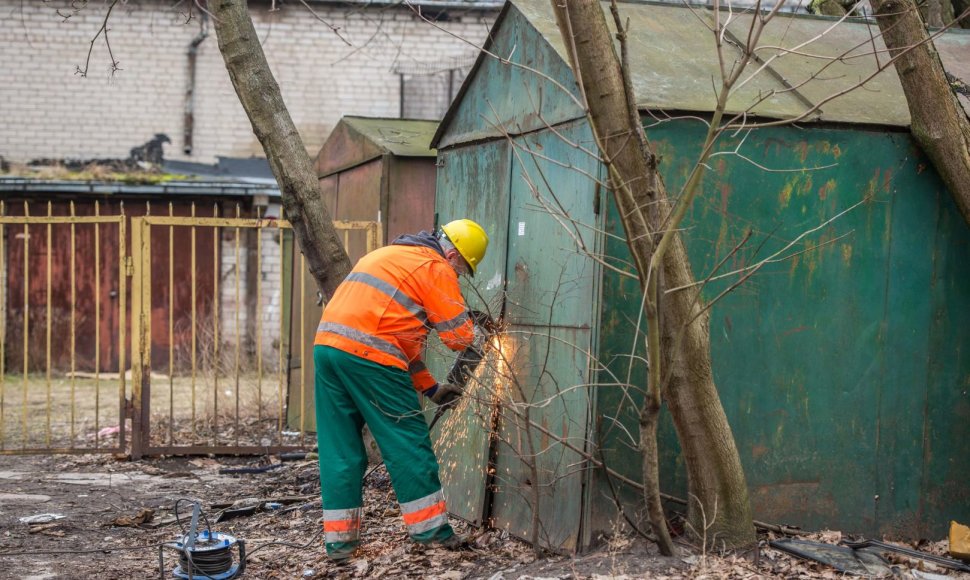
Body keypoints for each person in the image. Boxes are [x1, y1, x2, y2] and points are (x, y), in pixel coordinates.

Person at [312, 218, 489, 562]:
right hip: (370, 356)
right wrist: (481, 333)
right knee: (408, 441)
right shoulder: (434, 266)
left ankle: (340, 545)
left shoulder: (391, 255)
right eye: (463, 270)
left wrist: (431, 387)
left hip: (327, 350)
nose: (459, 277)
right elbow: (458, 338)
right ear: (452, 254)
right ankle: (432, 533)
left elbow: (400, 339)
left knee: (340, 451)